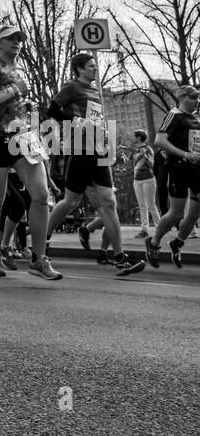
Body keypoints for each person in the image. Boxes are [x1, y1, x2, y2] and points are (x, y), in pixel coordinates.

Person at [0, 23, 62, 283]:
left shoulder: (20, 69)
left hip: (24, 140)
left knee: (41, 195)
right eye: (11, 39)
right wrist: (14, 90)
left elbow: (17, 104)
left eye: (19, 39)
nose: (17, 42)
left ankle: (38, 259)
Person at [46, 53, 144, 277]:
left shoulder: (95, 92)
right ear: (79, 69)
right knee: (70, 201)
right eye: (91, 67)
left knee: (109, 203)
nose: (95, 70)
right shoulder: (72, 87)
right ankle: (44, 240)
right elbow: (52, 110)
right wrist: (76, 121)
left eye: (95, 66)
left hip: (98, 151)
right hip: (79, 151)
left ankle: (120, 258)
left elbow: (97, 121)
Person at [145, 85, 200, 269]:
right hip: (178, 169)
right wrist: (184, 155)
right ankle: (153, 243)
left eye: (198, 97)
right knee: (176, 212)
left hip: (196, 170)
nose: (196, 101)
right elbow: (159, 141)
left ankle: (177, 242)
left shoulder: (195, 119)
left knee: (193, 214)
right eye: (193, 97)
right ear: (182, 98)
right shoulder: (174, 115)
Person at [129, 130, 159, 238]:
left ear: (139, 137)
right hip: (137, 180)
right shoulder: (135, 150)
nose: (133, 137)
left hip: (148, 179)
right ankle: (144, 230)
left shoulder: (148, 149)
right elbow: (131, 163)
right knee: (142, 206)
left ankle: (160, 228)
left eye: (134, 136)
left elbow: (152, 165)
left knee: (151, 205)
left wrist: (145, 156)